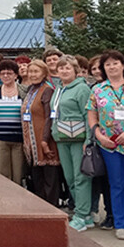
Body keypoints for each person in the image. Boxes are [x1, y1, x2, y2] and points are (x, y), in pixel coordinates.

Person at [87, 51, 124, 241]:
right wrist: (98, 135)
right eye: (108, 65)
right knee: (117, 184)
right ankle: (121, 223)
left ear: (123, 65)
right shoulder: (98, 90)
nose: (112, 67)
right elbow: (92, 114)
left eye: (115, 63)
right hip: (110, 145)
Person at [52, 55, 94, 232]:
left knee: (80, 177)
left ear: (76, 71)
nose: (64, 71)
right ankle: (83, 211)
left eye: (67, 68)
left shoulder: (82, 88)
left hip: (78, 139)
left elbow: (88, 115)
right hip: (62, 138)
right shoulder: (59, 89)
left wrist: (88, 140)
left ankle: (82, 214)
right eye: (61, 68)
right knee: (69, 178)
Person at [22, 60, 60, 207]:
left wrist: (44, 141)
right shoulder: (30, 90)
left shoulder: (47, 90)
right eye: (30, 71)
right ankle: (41, 208)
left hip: (44, 141)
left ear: (44, 73)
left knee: (49, 178)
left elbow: (48, 117)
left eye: (36, 72)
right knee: (37, 177)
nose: (32, 75)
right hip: (32, 143)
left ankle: (52, 208)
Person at [0, 60, 27, 184]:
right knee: (3, 176)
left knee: (18, 175)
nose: (5, 76)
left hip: (20, 141)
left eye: (9, 73)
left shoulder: (24, 91)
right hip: (0, 140)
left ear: (16, 75)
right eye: (2, 73)